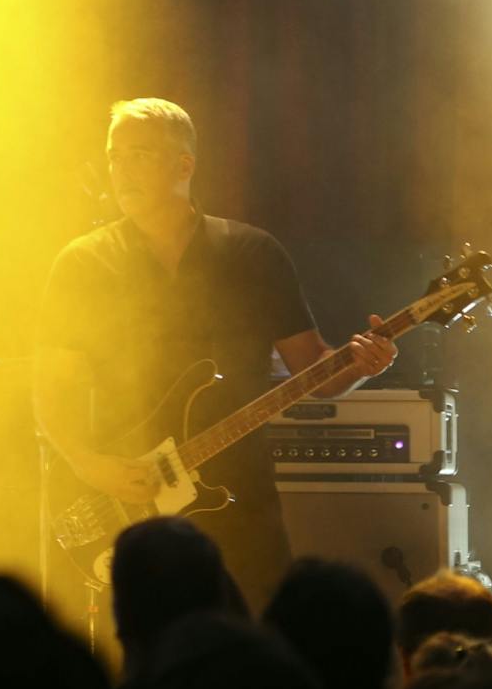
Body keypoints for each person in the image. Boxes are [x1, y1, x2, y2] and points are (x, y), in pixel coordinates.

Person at [33, 99, 397, 610]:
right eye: (115, 157)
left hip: (239, 500)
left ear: (184, 165)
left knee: (251, 649)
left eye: (139, 155)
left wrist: (361, 365)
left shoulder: (252, 253)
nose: (121, 170)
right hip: (131, 495)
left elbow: (317, 370)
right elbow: (51, 387)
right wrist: (89, 465)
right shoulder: (83, 263)